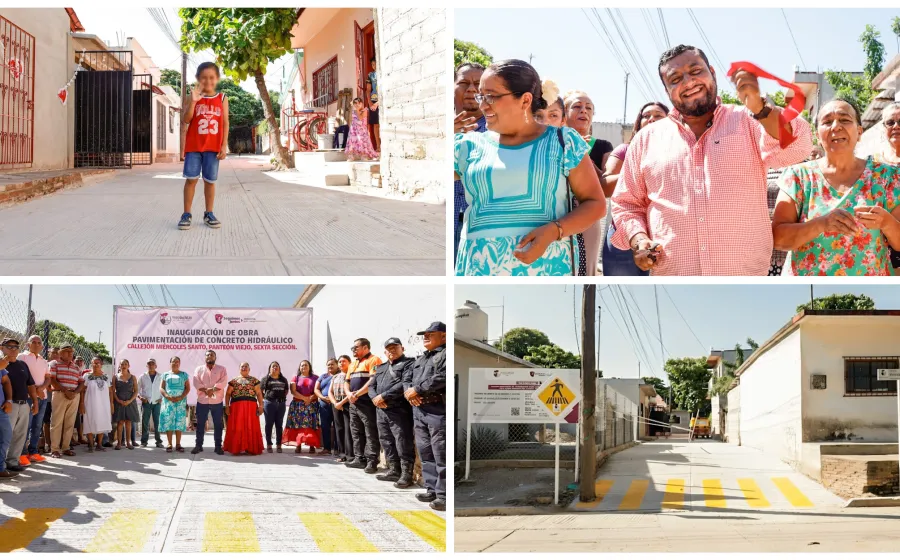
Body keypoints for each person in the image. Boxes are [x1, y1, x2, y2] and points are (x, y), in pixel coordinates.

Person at [610, 44, 812, 275]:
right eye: (675, 79)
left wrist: (762, 110)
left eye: (696, 71)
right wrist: (639, 240)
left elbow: (799, 146)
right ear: (667, 91)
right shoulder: (647, 139)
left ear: (713, 73)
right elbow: (626, 204)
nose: (688, 82)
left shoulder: (749, 120)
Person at [454, 59, 606, 275]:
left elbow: (596, 204)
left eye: (491, 96)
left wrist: (555, 230)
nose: (482, 104)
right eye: (481, 96)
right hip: (479, 272)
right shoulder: (466, 146)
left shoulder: (564, 142)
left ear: (525, 100)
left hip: (546, 272)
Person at [772, 98, 900, 276]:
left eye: (845, 120)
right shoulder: (798, 177)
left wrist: (886, 222)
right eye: (827, 121)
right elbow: (778, 238)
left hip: (869, 292)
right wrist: (821, 224)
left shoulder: (886, 177)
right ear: (818, 134)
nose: (836, 126)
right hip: (808, 290)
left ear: (860, 132)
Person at [602, 101, 669, 276]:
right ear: (638, 123)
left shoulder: (679, 154)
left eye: (658, 116)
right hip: (624, 237)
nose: (651, 119)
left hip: (664, 240)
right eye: (646, 116)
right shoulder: (625, 150)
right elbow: (605, 186)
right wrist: (638, 174)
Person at [564, 90, 613, 275]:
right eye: (577, 106)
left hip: (588, 217)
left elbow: (605, 184)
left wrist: (582, 155)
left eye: (588, 108)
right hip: (555, 214)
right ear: (564, 113)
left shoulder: (602, 146)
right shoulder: (553, 141)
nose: (583, 111)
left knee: (585, 268)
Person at [179, 61, 229, 231]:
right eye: (203, 78)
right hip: (194, 147)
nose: (207, 81)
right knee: (191, 180)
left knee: (210, 181)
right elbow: (185, 120)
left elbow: (225, 123)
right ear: (198, 79)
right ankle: (186, 214)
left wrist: (224, 146)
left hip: (213, 148)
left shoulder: (222, 98)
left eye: (211, 78)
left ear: (217, 79)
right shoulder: (192, 96)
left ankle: (209, 213)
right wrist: (193, 102)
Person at [405, 322, 447, 511]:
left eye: (431, 334)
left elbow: (442, 377)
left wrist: (418, 390)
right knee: (426, 452)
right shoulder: (421, 359)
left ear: (443, 336)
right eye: (425, 334)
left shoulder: (445, 355)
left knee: (440, 453)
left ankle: (444, 495)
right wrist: (409, 393)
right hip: (419, 410)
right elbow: (407, 379)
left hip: (436, 409)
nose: (426, 337)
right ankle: (431, 488)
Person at [453, 62, 488, 267]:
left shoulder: (498, 131)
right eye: (464, 83)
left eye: (478, 84)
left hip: (477, 225)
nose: (472, 89)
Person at [370, 338, 416, 487]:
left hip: (399, 409)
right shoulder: (381, 367)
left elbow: (404, 383)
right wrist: (375, 399)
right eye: (389, 348)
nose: (392, 351)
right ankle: (394, 470)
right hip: (381, 409)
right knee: (386, 440)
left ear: (402, 348)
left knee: (402, 441)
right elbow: (372, 386)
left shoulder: (409, 364)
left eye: (395, 347)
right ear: (385, 352)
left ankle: (406, 474)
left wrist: (383, 396)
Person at [345, 339, 382, 473]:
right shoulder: (353, 364)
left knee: (370, 431)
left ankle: (372, 460)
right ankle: (359, 458)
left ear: (365, 347)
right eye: (352, 348)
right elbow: (346, 381)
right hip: (353, 403)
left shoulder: (374, 360)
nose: (353, 350)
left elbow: (373, 380)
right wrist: (349, 394)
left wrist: (358, 394)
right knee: (356, 431)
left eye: (356, 347)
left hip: (366, 402)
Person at [2, 338, 37, 473]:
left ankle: (13, 461)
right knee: (5, 435)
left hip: (24, 404)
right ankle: (2, 464)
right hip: (8, 405)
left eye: (16, 347)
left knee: (20, 434)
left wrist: (34, 402)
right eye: (9, 346)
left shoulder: (23, 364)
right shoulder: (1, 365)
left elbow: (30, 384)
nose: (13, 349)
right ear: (2, 348)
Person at [48, 343, 83, 458]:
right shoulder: (54, 364)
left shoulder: (76, 367)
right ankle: (54, 449)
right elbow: (52, 380)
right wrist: (65, 390)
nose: (70, 353)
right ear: (60, 353)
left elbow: (81, 382)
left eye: (71, 351)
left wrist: (75, 392)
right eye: (67, 351)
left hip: (73, 396)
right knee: (56, 422)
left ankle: (66, 447)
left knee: (69, 423)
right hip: (59, 394)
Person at [18, 335, 49, 464]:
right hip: (28, 397)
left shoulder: (44, 360)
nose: (36, 344)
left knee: (37, 426)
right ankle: (21, 454)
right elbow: (20, 377)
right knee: (26, 425)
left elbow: (48, 378)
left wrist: (41, 389)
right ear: (28, 344)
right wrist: (35, 390)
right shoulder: (21, 357)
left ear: (42, 346)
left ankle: (33, 452)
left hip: (43, 397)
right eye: (33, 342)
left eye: (39, 343)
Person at [222, 362, 264, 456]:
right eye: (242, 366)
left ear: (249, 369)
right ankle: (235, 448)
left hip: (251, 407)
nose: (244, 368)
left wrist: (261, 406)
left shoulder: (254, 380)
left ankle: (251, 448)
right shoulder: (234, 381)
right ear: (239, 369)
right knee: (237, 426)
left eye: (246, 366)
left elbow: (259, 394)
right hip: (237, 407)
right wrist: (227, 406)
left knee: (251, 425)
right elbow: (228, 394)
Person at [192, 350, 227, 456]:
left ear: (215, 357)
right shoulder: (199, 369)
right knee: (200, 424)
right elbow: (196, 382)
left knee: (218, 424)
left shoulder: (222, 369)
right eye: (207, 355)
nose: (209, 356)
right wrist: (206, 390)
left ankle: (217, 446)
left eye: (211, 355)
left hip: (217, 401)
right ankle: (198, 445)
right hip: (202, 401)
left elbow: (223, 381)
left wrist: (213, 389)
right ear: (205, 357)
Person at [284, 360, 320, 453]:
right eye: (302, 365)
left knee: (311, 424)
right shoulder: (295, 378)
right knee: (298, 424)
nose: (304, 367)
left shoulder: (316, 378)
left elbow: (318, 390)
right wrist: (304, 398)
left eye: (306, 365)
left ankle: (311, 445)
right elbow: (293, 391)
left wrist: (310, 398)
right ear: (299, 368)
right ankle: (298, 444)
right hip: (298, 405)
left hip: (311, 404)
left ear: (309, 367)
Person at [81, 358, 113, 453]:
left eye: (98, 363)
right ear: (91, 364)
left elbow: (111, 392)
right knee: (89, 421)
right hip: (90, 403)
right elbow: (82, 390)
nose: (96, 365)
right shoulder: (87, 376)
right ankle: (91, 444)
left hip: (104, 404)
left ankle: (99, 444)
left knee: (102, 421)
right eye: (94, 363)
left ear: (101, 364)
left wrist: (111, 404)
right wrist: (81, 403)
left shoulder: (106, 377)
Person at [159, 357, 190, 453]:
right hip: (168, 403)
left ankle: (178, 444)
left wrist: (181, 397)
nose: (175, 363)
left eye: (177, 362)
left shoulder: (184, 375)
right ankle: (169, 444)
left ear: (179, 363)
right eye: (173, 361)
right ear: (170, 363)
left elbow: (187, 388)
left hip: (180, 403)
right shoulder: (165, 375)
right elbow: (161, 388)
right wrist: (167, 396)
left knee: (179, 423)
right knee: (169, 422)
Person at [260, 361, 289, 453]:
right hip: (269, 404)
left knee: (279, 425)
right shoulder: (265, 379)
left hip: (281, 405)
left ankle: (279, 444)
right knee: (269, 424)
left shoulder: (283, 379)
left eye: (276, 366)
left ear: (279, 369)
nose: (275, 368)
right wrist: (264, 400)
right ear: (270, 369)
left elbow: (286, 390)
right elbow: (260, 391)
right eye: (273, 366)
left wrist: (281, 398)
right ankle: (269, 444)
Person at [329, 355, 353, 463]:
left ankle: (350, 455)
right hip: (336, 404)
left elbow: (352, 392)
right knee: (339, 429)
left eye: (344, 361)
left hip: (347, 404)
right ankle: (342, 453)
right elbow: (330, 392)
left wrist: (342, 403)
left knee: (348, 429)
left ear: (349, 362)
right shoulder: (335, 377)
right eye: (340, 362)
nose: (341, 363)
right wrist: (335, 403)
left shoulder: (351, 375)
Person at [113, 359, 140, 450]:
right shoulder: (115, 377)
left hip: (130, 403)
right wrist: (118, 400)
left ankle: (128, 443)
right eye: (122, 364)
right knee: (120, 422)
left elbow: (136, 391)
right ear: (119, 366)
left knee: (128, 422)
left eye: (125, 364)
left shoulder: (133, 377)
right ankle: (119, 443)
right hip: (119, 403)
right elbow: (113, 391)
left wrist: (130, 400)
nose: (124, 365)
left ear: (128, 366)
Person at [139, 358, 163, 448]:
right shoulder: (142, 376)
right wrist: (141, 397)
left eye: (152, 364)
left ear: (156, 366)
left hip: (157, 402)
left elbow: (165, 388)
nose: (151, 365)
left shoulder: (161, 376)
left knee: (158, 422)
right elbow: (137, 389)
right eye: (149, 364)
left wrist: (162, 398)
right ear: (147, 366)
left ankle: (158, 441)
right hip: (146, 402)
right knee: (145, 422)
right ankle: (144, 441)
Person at [313, 360, 335, 455]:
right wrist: (322, 397)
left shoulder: (340, 375)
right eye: (328, 364)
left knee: (338, 427)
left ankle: (339, 449)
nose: (330, 366)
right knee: (325, 426)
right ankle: (327, 448)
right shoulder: (323, 376)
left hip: (336, 404)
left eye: (332, 364)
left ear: (337, 365)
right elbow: (316, 389)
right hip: (324, 404)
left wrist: (332, 399)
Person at [0, 353, 16, 478]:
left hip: (2, 408)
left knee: (6, 437)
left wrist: (9, 400)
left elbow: (6, 382)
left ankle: (0, 468)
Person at [365, 57, 380, 153]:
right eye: (372, 65)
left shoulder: (384, 73)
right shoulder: (371, 75)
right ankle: (378, 146)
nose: (374, 66)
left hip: (383, 100)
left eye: (375, 64)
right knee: (375, 124)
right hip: (374, 101)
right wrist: (370, 103)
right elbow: (368, 90)